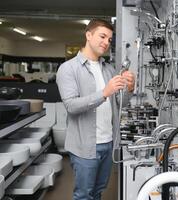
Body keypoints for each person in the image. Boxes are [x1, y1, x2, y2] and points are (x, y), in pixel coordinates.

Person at [56, 19, 135, 200]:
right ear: (88, 35)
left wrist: (130, 89)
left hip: (108, 142)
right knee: (84, 195)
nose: (106, 42)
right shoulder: (68, 69)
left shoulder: (109, 69)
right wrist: (104, 93)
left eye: (109, 39)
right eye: (102, 36)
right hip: (85, 147)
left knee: (98, 192)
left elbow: (119, 103)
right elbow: (71, 105)